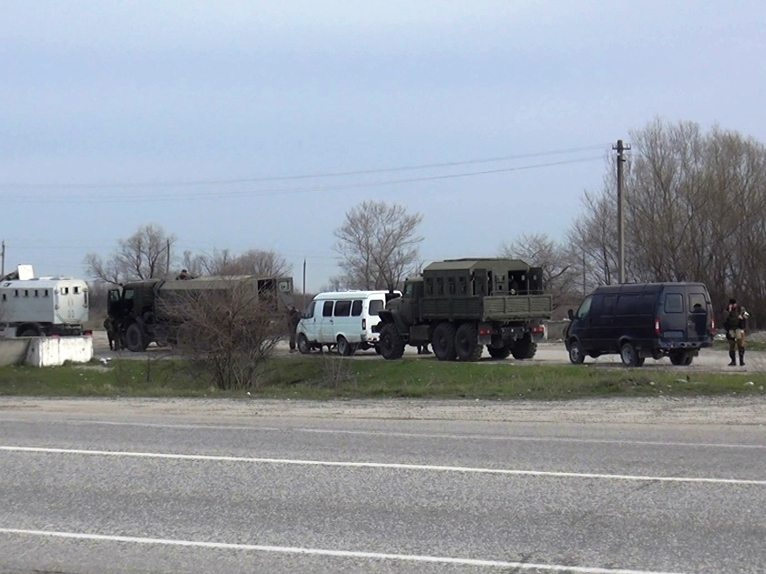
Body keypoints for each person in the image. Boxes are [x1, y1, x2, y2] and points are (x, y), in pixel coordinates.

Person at [723, 298, 749, 366]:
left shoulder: (740, 309)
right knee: (732, 345)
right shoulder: (727, 310)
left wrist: (742, 317)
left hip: (739, 328)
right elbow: (724, 317)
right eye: (731, 304)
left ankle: (741, 361)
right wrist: (729, 311)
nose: (732, 305)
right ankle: (733, 361)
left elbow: (747, 315)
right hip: (731, 329)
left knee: (740, 345)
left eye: (733, 304)